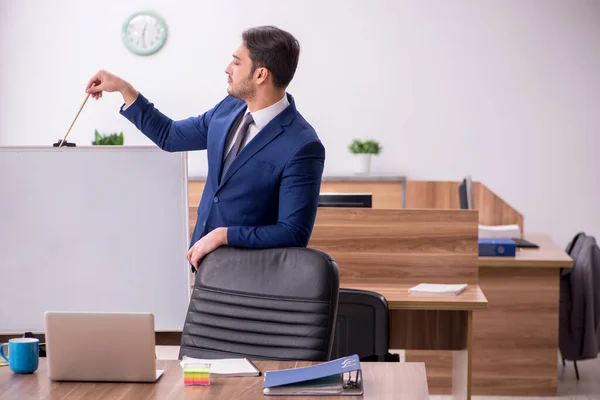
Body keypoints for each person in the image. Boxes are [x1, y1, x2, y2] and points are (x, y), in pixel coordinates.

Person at [86, 26, 325, 270]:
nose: (227, 69)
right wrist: (125, 89)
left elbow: (293, 233)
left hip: (254, 279)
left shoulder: (302, 145)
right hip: (205, 268)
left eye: (236, 62)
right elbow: (170, 135)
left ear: (260, 74)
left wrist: (225, 235)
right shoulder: (229, 109)